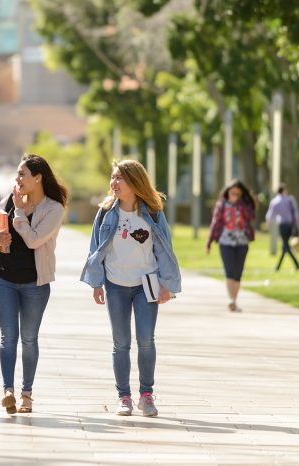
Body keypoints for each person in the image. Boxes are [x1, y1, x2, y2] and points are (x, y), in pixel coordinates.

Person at [81, 159, 181, 418]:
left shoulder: (153, 211)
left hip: (146, 285)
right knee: (121, 343)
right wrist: (96, 283)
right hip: (115, 285)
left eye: (119, 178)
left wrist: (167, 285)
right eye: (113, 177)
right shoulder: (106, 211)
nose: (114, 182)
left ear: (135, 182)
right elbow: (95, 249)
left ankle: (146, 395)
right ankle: (123, 397)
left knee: (146, 341)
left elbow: (165, 249)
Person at [0, 154, 67, 415]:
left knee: (29, 339)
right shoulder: (6, 201)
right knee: (8, 337)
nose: (17, 179)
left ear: (38, 178)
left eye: (22, 174)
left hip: (35, 284)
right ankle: (7, 391)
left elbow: (33, 241)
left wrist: (19, 213)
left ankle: (27, 394)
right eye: (17, 174)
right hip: (3, 279)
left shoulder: (53, 208)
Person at [206, 180, 257, 312]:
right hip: (225, 242)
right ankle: (231, 300)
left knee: (238, 273)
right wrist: (209, 241)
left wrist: (244, 203)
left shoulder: (245, 205)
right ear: (228, 192)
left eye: (237, 193)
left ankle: (234, 299)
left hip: (242, 242)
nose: (234, 195)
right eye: (232, 192)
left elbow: (252, 217)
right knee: (229, 271)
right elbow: (215, 223)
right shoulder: (221, 205)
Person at [265, 184, 299, 271]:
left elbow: (270, 214)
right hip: (289, 225)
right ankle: (295, 265)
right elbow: (296, 213)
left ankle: (280, 266)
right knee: (285, 246)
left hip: (282, 225)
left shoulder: (275, 201)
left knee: (285, 246)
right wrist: (297, 223)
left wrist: (268, 223)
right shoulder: (290, 200)